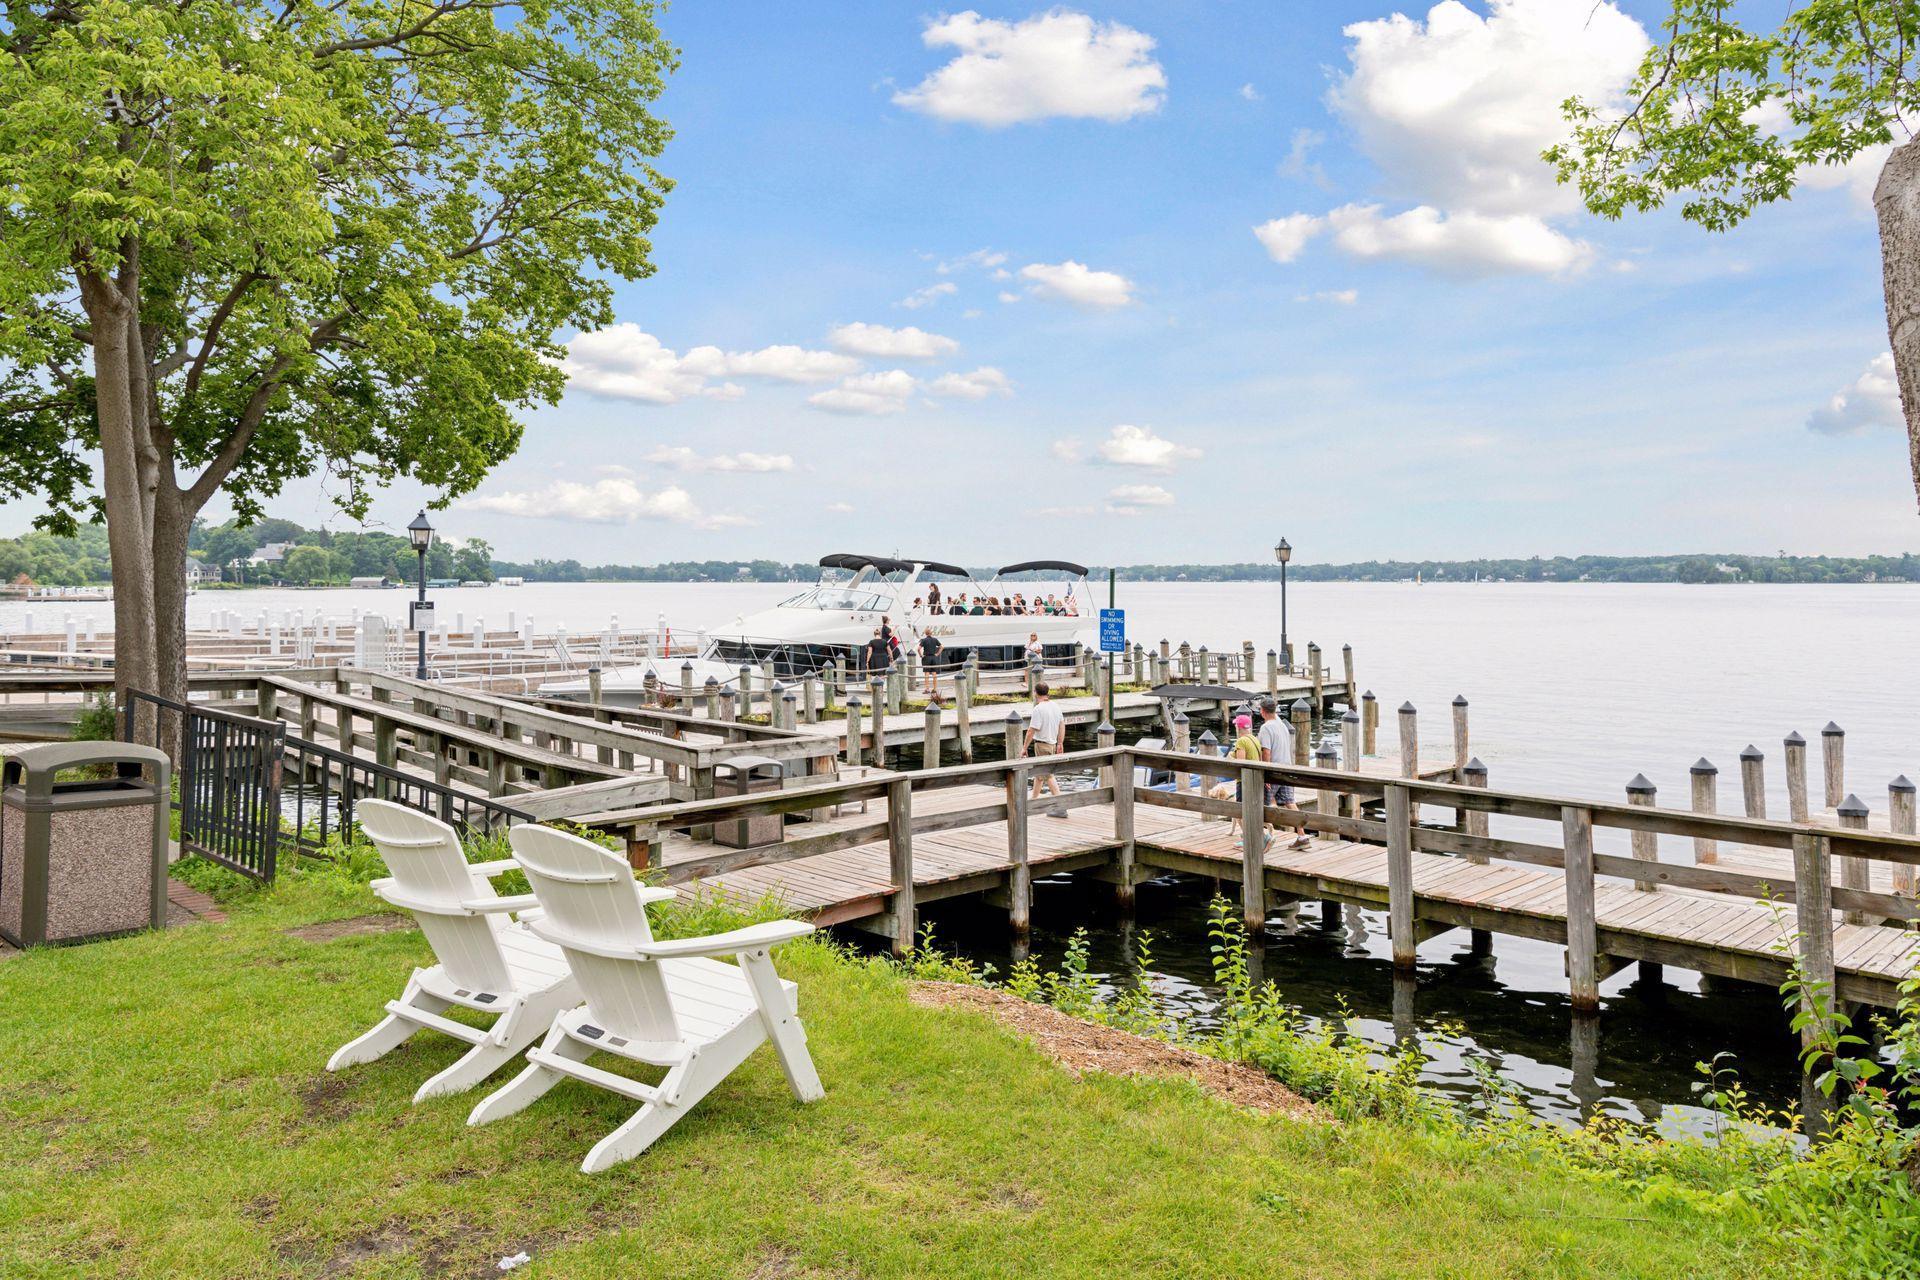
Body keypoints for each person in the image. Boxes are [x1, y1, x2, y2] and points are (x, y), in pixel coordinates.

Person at [1257, 697, 1311, 849]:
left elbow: (1266, 752)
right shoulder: (1282, 725)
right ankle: (1302, 836)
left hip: (1273, 771)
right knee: (1289, 802)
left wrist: (1265, 773)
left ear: (1262, 711)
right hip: (1286, 769)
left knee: (1262, 802)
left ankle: (1265, 837)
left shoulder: (1266, 728)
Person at [1025, 682, 1065, 801]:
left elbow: (1031, 730)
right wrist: (1060, 743)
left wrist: (1024, 748)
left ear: (1035, 693)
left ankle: (1061, 805)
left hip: (1042, 744)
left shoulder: (1038, 708)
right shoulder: (1055, 706)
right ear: (1047, 692)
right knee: (1040, 774)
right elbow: (1062, 725)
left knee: (1048, 775)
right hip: (1052, 744)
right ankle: (1033, 799)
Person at [918, 629, 942, 697]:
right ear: (931, 633)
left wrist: (921, 655)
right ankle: (934, 688)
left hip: (926, 658)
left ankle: (927, 689)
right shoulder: (935, 639)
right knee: (934, 673)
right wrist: (937, 654)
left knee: (927, 673)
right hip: (933, 658)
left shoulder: (924, 640)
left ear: (925, 633)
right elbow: (941, 647)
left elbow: (918, 649)